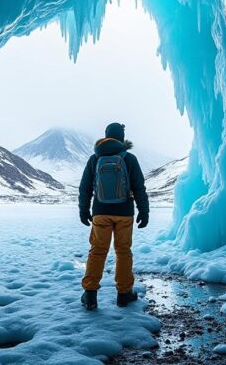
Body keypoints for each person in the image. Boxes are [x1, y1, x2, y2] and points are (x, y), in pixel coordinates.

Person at [78, 122, 149, 310]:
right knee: (123, 252)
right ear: (122, 137)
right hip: (124, 213)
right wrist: (144, 211)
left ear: (106, 135)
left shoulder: (95, 158)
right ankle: (124, 294)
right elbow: (139, 187)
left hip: (100, 212)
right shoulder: (129, 158)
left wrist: (83, 210)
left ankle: (90, 295)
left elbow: (84, 188)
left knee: (98, 251)